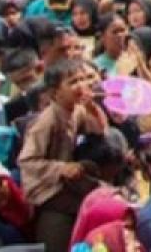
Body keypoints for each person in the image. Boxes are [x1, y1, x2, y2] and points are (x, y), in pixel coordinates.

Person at [18, 57, 107, 252]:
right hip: (46, 188)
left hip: (68, 182)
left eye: (82, 79)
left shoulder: (77, 110)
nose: (81, 85)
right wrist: (61, 168)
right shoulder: (46, 121)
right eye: (73, 82)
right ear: (54, 92)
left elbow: (100, 132)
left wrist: (92, 108)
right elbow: (26, 160)